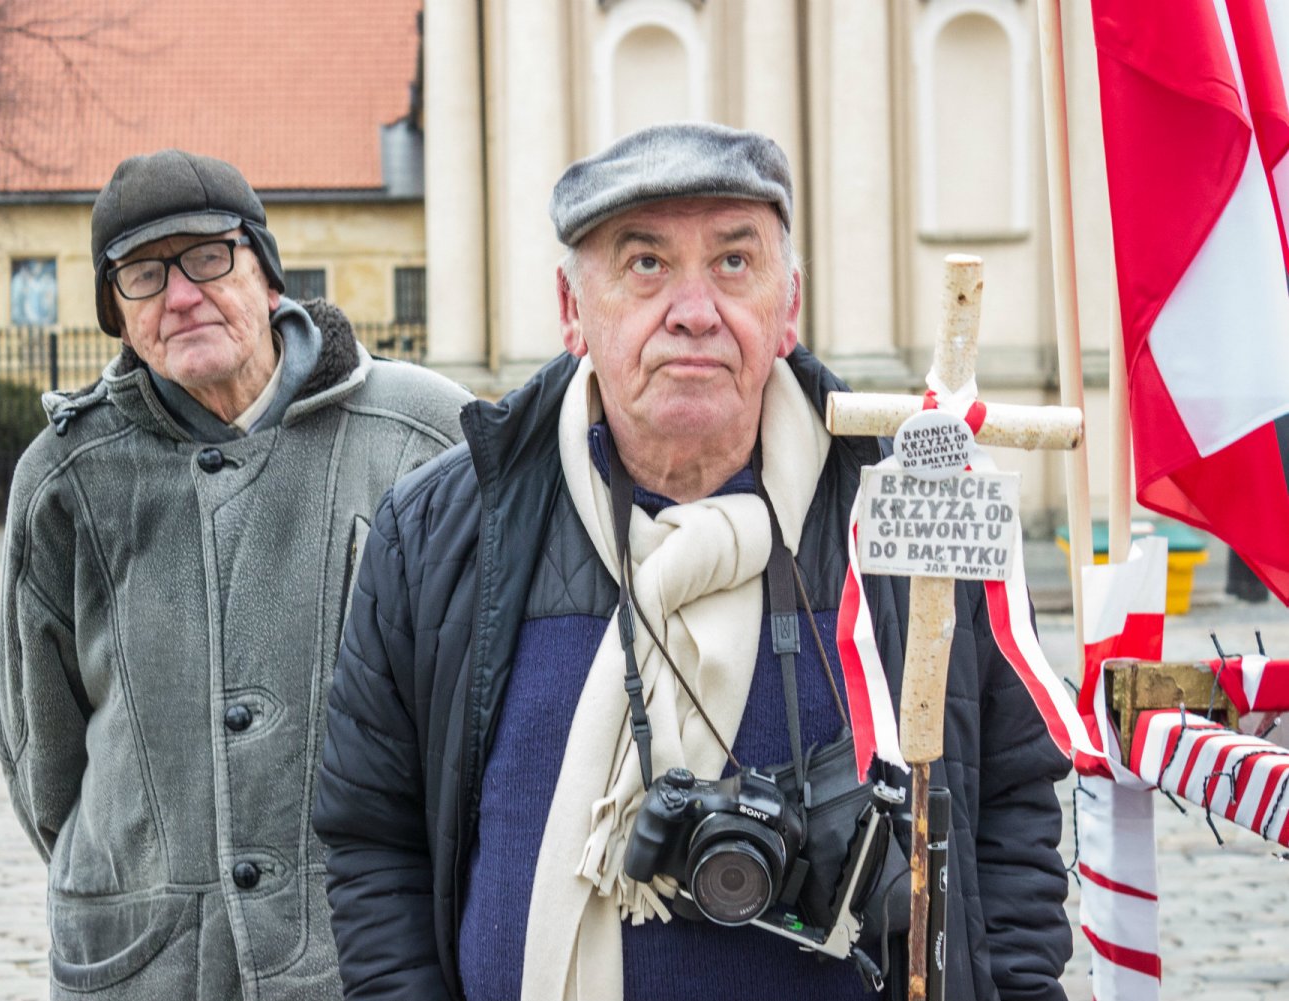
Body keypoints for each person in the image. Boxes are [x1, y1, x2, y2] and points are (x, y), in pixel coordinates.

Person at [314, 123, 1073, 1001]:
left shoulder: (903, 515)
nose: (694, 308)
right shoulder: (446, 528)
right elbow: (376, 838)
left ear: (787, 307)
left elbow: (1010, 808)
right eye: (644, 264)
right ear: (571, 310)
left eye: (733, 262)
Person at [0, 149, 470, 1001]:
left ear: (267, 274)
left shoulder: (423, 435)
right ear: (119, 314)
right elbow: (39, 750)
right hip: (147, 962)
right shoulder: (66, 476)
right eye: (142, 275)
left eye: (209, 257)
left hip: (355, 953)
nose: (180, 295)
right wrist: (137, 865)